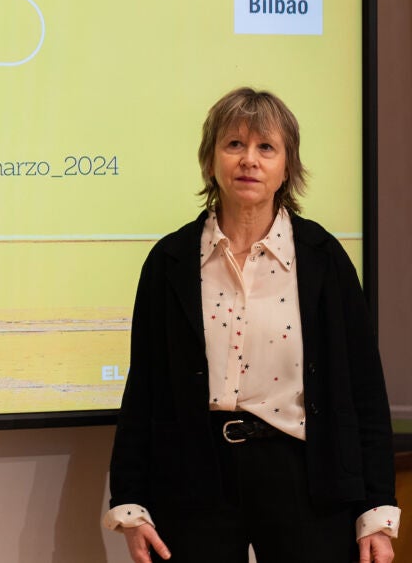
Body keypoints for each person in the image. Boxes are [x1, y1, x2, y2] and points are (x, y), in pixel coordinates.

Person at [103, 87, 400, 563]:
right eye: (234, 144)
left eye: (266, 147)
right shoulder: (169, 261)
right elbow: (144, 388)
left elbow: (363, 388)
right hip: (194, 477)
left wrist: (376, 509)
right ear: (211, 159)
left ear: (287, 167)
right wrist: (130, 501)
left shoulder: (324, 258)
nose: (249, 160)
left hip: (305, 476)